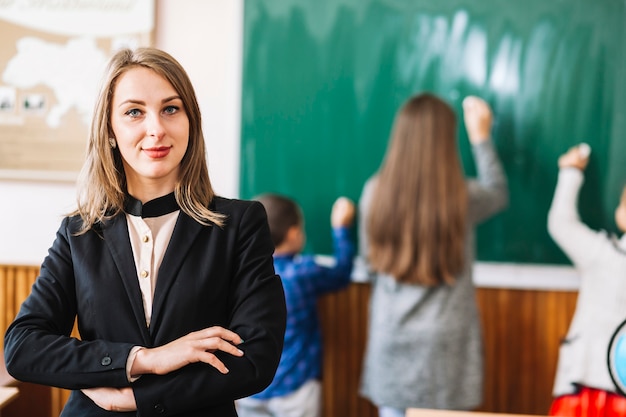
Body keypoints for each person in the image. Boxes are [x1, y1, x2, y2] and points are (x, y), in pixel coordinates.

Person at [3, 47, 287, 417]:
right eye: (134, 112)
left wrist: (139, 398)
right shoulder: (79, 232)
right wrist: (144, 360)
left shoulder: (240, 224)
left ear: (190, 122)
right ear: (110, 129)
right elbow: (23, 347)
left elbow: (255, 358)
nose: (156, 129)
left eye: (171, 109)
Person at [357, 93, 508, 416]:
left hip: (391, 335)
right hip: (446, 341)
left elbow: (370, 265)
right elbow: (497, 191)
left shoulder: (374, 192)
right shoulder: (461, 196)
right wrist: (481, 137)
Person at [236, 193, 356, 417]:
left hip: (251, 387)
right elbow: (341, 274)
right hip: (296, 389)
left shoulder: (240, 276)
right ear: (293, 234)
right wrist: (342, 228)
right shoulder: (303, 273)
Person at [547, 145, 626, 416]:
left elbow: (561, 223)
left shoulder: (603, 254)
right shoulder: (603, 254)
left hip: (584, 389)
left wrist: (570, 172)